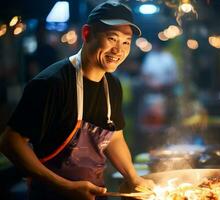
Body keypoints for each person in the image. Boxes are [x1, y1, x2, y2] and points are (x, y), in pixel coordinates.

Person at [0, 1, 154, 200]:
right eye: (111, 38)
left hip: (94, 194)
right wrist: (65, 187)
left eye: (126, 42)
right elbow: (10, 142)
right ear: (87, 33)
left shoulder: (112, 85)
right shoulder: (52, 83)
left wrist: (133, 178)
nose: (119, 50)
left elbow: (114, 137)